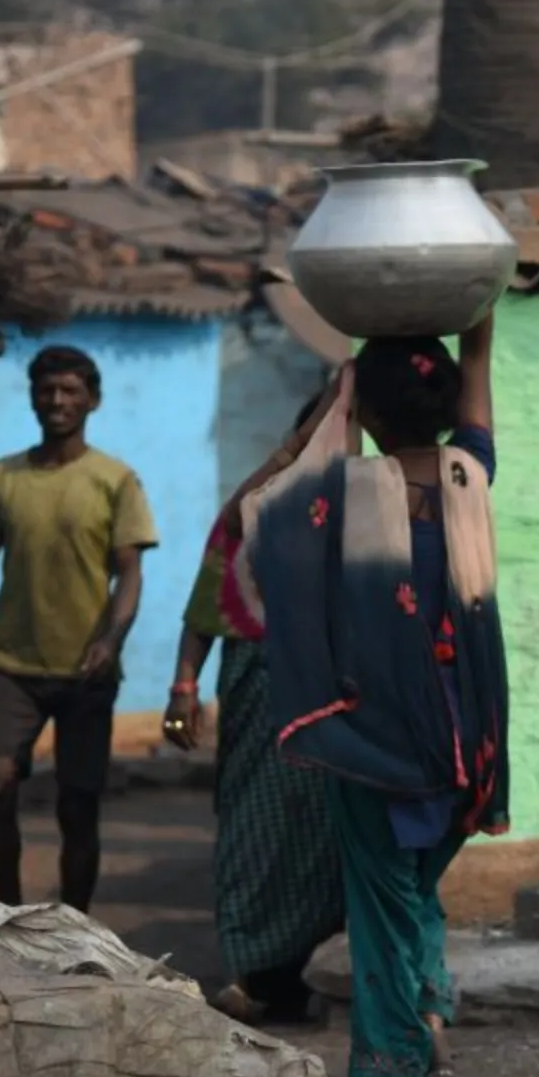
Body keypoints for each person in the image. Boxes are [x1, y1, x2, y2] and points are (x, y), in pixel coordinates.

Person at [246, 315, 502, 1077]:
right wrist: (482, 335)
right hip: (472, 744)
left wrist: (335, 403)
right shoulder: (468, 474)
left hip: (383, 743)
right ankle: (435, 1037)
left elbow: (262, 512)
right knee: (414, 902)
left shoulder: (350, 495)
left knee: (382, 918)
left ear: (367, 408)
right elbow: (478, 400)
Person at [0, 346, 157, 913]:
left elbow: (130, 573)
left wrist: (111, 641)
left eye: (69, 391)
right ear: (32, 397)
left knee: (78, 804)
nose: (57, 401)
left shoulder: (115, 481)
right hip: (13, 665)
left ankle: (73, 923)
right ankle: (9, 913)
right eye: (46, 390)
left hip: (87, 669)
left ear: (93, 400)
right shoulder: (1, 478)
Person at [165, 375, 355, 1026]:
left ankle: (303, 972)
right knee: (253, 826)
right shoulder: (263, 505)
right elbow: (213, 581)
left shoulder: (370, 506)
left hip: (338, 695)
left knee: (324, 832)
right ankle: (249, 968)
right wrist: (184, 683)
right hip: (259, 681)